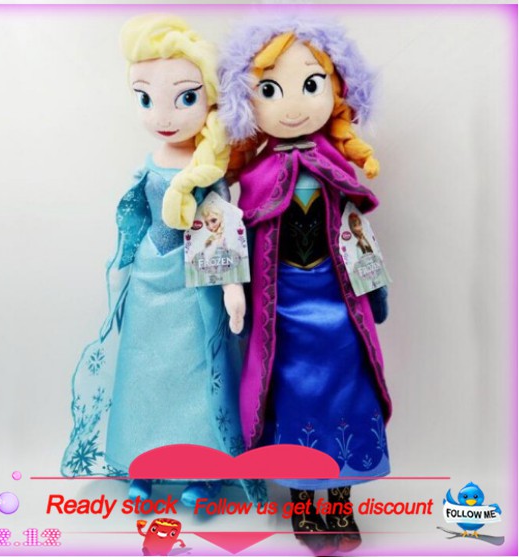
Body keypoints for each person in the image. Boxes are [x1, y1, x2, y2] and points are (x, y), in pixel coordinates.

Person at [61, 14, 265, 508]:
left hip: (196, 286)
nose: (163, 115)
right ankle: (143, 461)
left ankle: (202, 469)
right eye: (146, 99)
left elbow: (222, 230)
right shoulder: (151, 164)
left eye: (185, 98)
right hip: (149, 282)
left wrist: (233, 289)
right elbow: (133, 218)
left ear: (208, 99)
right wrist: (121, 271)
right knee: (144, 374)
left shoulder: (209, 171)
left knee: (195, 375)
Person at [219, 17, 392, 553]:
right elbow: (239, 239)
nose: (292, 106)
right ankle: (302, 502)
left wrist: (374, 288)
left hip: (338, 309)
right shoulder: (252, 178)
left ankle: (339, 500)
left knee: (347, 394)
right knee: (292, 398)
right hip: (283, 315)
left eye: (310, 84)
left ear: (336, 89)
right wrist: (235, 289)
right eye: (271, 90)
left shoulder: (337, 167)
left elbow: (357, 233)